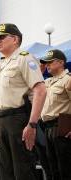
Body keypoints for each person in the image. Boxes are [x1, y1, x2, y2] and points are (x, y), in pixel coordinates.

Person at [0, 23, 46, 180]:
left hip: (19, 119)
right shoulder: (0, 63)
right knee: (5, 169)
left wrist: (32, 124)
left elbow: (40, 90)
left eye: (2, 37)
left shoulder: (24, 58)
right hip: (2, 120)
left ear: (15, 39)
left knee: (22, 168)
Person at [40, 49, 71, 180]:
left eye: (50, 62)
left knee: (65, 167)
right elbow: (31, 88)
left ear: (61, 62)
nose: (47, 65)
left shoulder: (68, 80)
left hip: (63, 124)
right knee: (52, 167)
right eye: (45, 63)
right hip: (47, 127)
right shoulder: (47, 82)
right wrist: (39, 71)